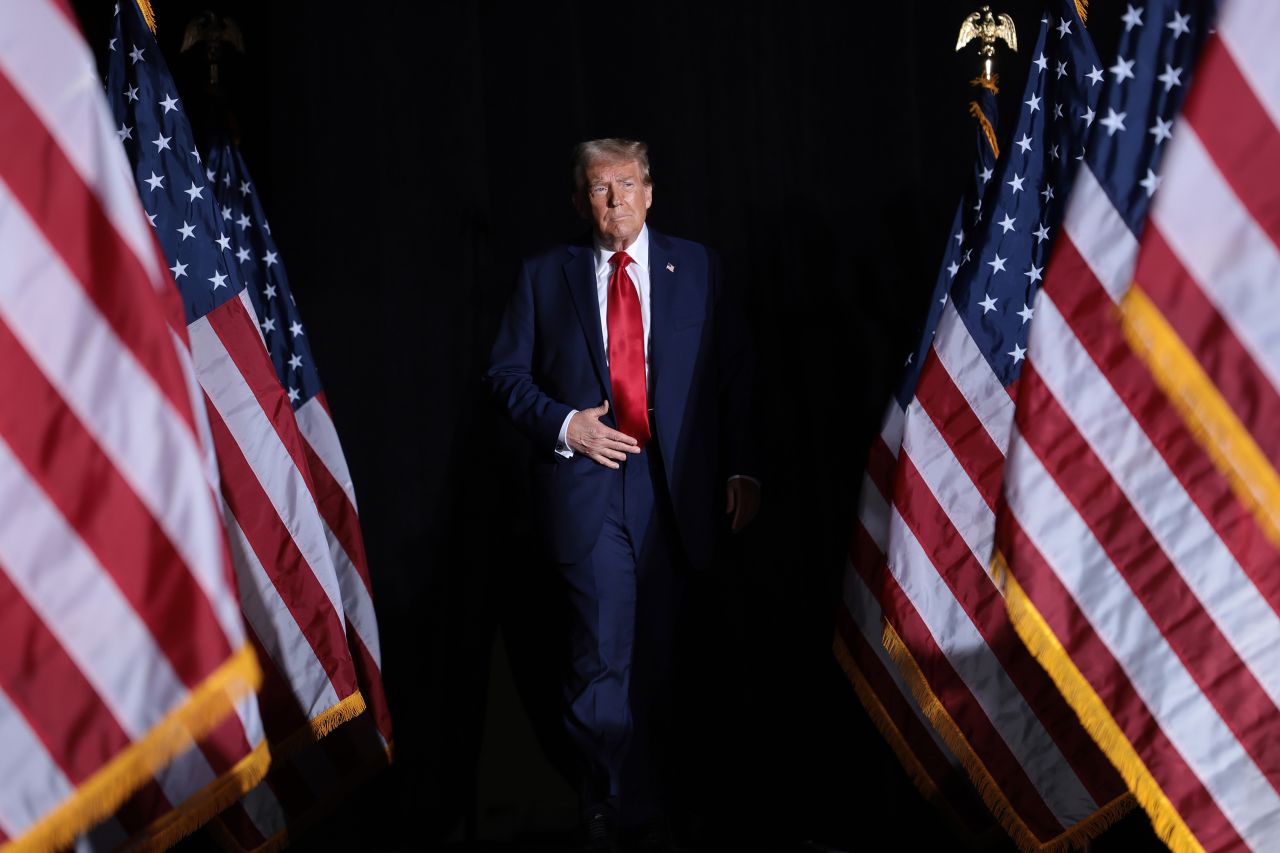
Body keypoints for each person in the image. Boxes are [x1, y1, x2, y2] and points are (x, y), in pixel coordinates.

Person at [486, 138, 760, 851]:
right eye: (600, 188)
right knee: (601, 653)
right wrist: (565, 424)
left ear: (650, 192)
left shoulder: (697, 266)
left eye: (628, 184)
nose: (616, 200)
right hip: (589, 487)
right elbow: (505, 376)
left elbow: (733, 373)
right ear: (580, 201)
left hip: (676, 488)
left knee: (666, 652)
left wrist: (743, 467)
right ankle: (605, 805)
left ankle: (661, 800)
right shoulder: (545, 275)